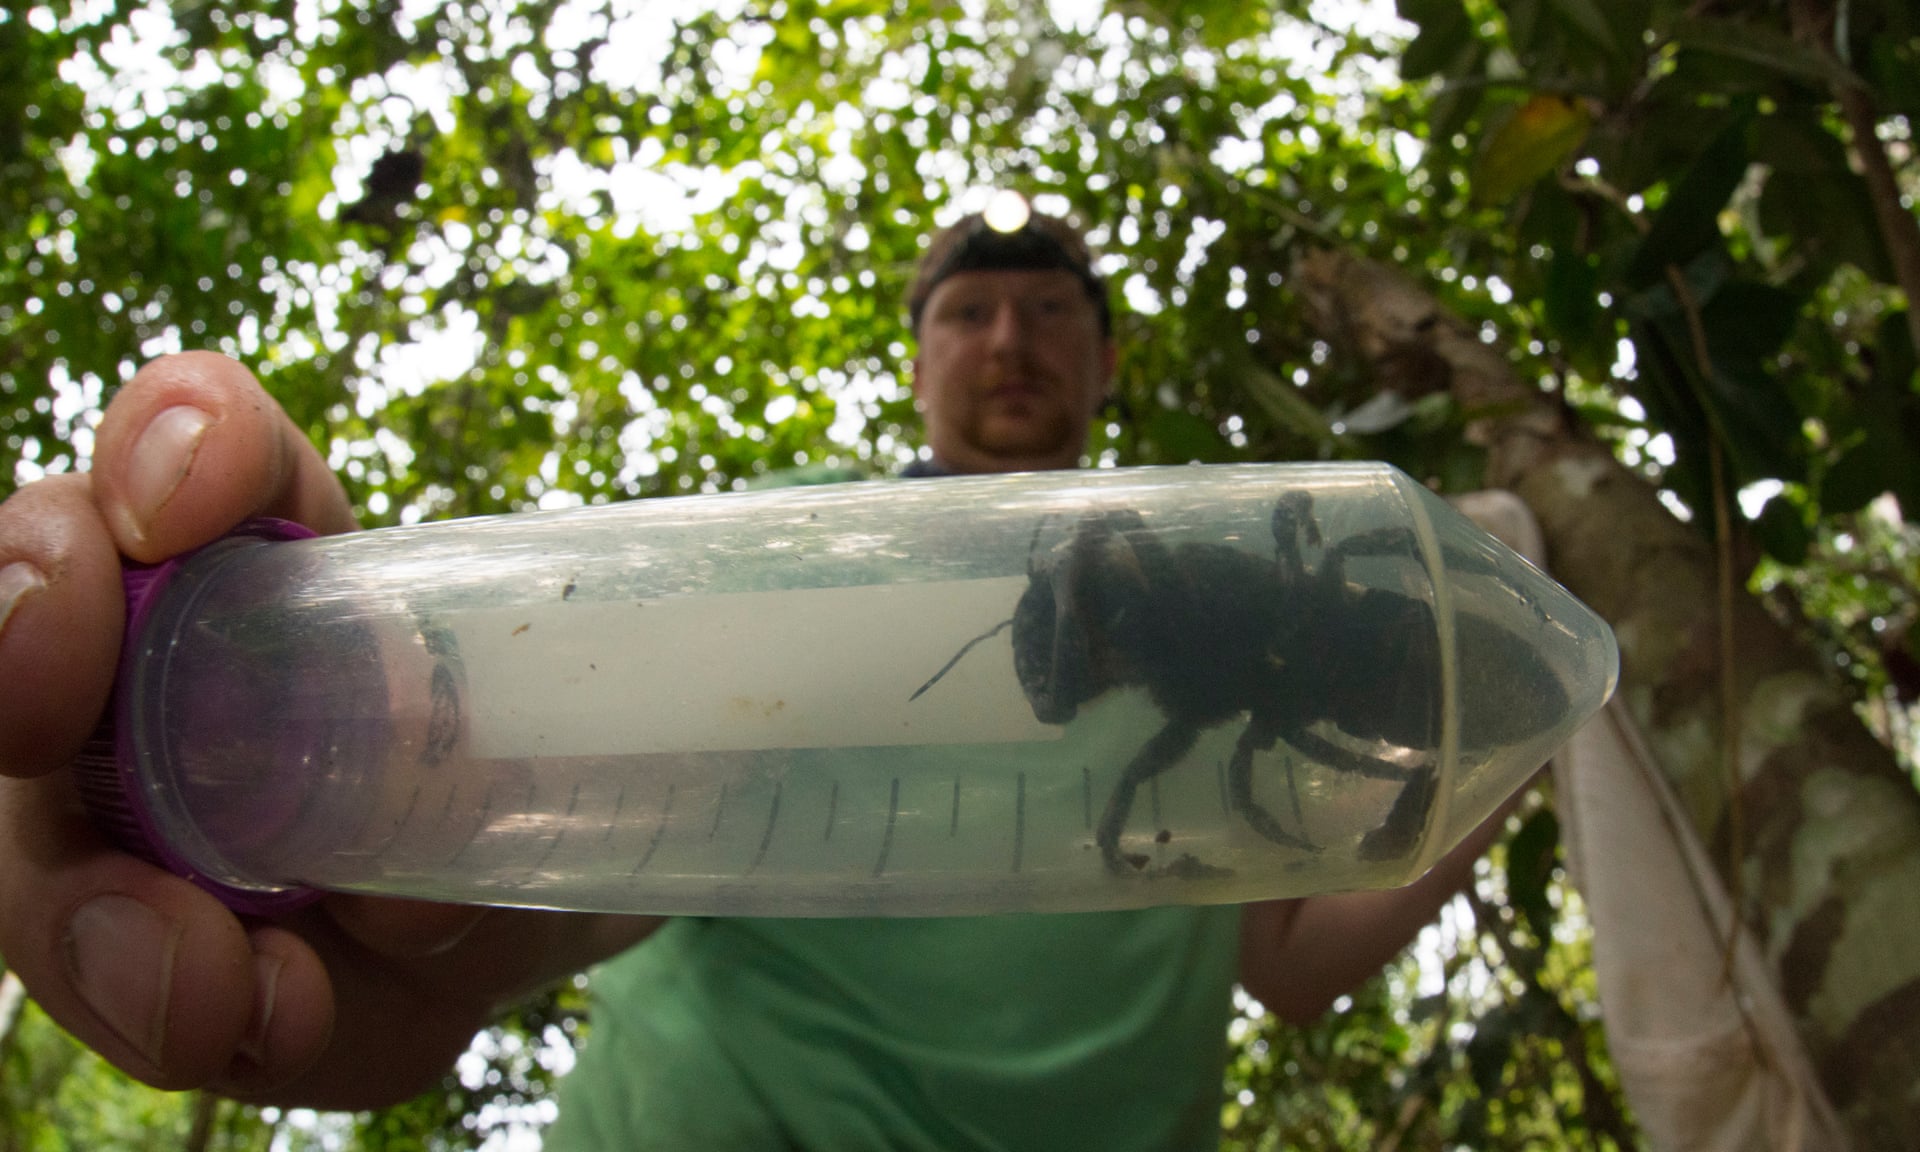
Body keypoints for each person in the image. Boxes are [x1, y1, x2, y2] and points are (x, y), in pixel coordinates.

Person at [0, 202, 1513, 1147]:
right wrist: (423, 927)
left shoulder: (1225, 564)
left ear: (1104, 367)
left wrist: (1508, 736)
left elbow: (1294, 960)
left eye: (1051, 313)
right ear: (917, 361)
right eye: (967, 312)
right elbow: (623, 837)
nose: (1008, 339)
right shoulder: (808, 546)